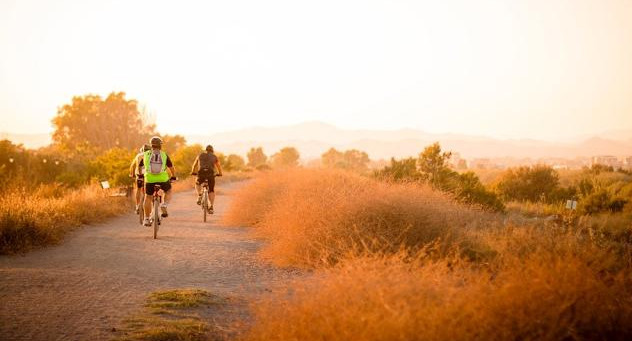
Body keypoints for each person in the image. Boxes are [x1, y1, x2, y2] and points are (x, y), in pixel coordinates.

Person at [140, 136, 176, 226]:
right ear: (160, 145)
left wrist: (141, 175)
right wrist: (173, 176)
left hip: (149, 179)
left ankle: (146, 219)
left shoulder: (145, 154)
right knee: (168, 191)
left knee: (148, 197)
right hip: (162, 179)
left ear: (151, 145)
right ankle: (164, 204)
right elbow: (171, 168)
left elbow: (140, 166)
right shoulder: (164, 155)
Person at [191, 145, 223, 213]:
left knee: (197, 183)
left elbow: (194, 165)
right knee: (211, 190)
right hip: (210, 174)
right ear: (212, 151)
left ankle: (199, 195)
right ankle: (211, 207)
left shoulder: (200, 155)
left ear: (206, 150)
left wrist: (193, 172)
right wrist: (220, 173)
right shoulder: (214, 156)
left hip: (201, 172)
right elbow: (218, 166)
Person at [129, 144, 150, 213]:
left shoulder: (138, 155)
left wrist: (131, 174)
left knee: (138, 189)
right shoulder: (150, 155)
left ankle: (137, 205)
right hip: (148, 175)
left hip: (139, 175)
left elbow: (132, 166)